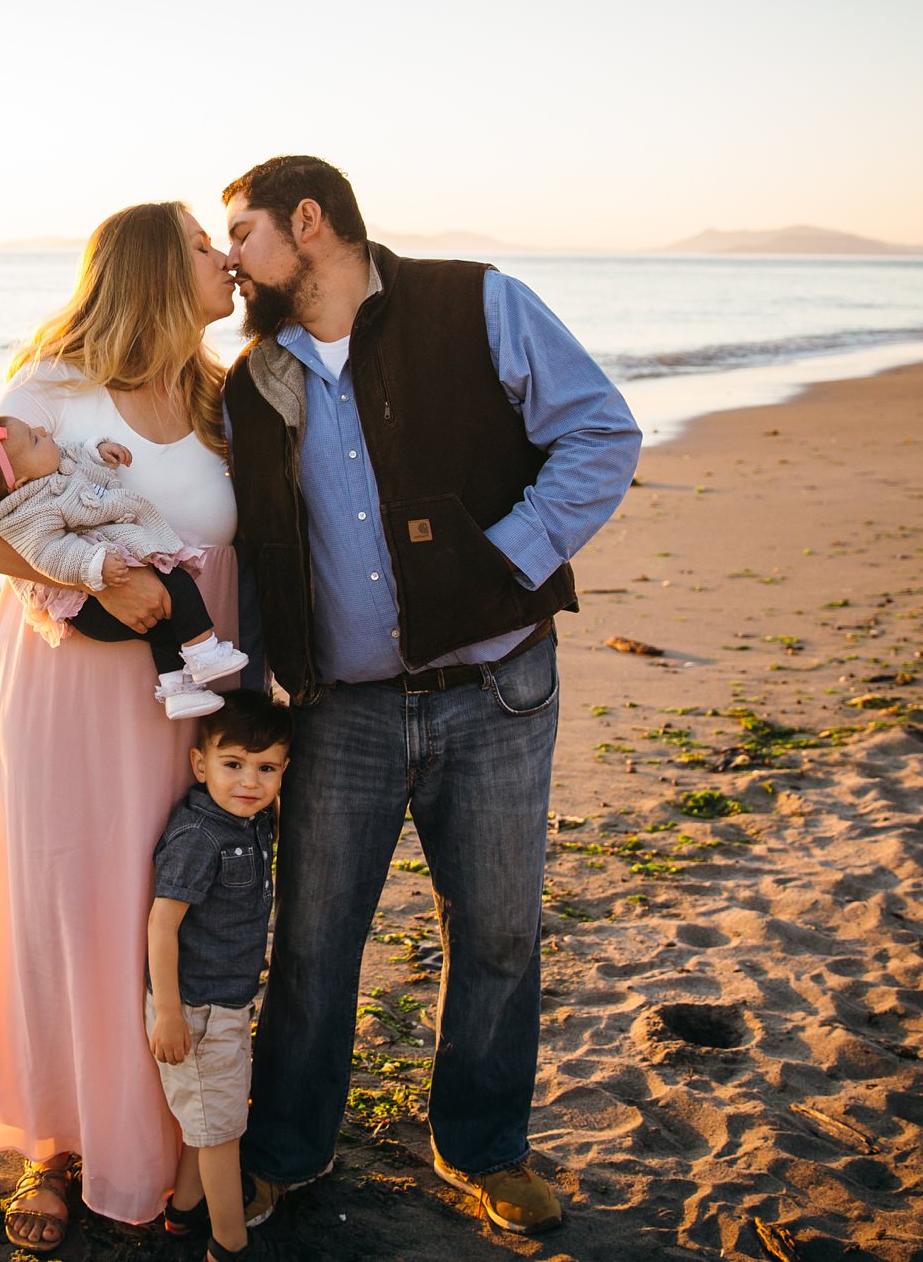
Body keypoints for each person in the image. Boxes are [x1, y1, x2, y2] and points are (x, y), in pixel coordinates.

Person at [219, 156, 642, 1235]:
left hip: (495, 687)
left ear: (307, 222)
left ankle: (484, 1148)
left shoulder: (478, 300)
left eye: (242, 231)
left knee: (497, 932)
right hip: (339, 711)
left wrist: (503, 559)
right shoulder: (252, 379)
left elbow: (600, 431)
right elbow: (260, 550)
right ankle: (284, 1152)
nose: (230, 258)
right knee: (313, 943)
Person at [0, 200, 242, 1251]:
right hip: (74, 689)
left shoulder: (216, 397)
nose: (228, 260)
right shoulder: (50, 388)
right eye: (207, 246)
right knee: (74, 900)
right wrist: (96, 585)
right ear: (158, 269)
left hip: (189, 694)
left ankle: (178, 1136)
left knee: (175, 904)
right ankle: (58, 1145)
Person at [0, 407, 247, 717]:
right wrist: (94, 564)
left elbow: (72, 452)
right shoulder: (28, 515)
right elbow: (49, 554)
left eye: (35, 430)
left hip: (107, 566)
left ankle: (178, 690)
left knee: (162, 629)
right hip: (89, 599)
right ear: (21, 483)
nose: (43, 430)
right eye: (35, 439)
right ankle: (204, 653)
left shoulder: (48, 463)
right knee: (176, 582)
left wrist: (97, 451)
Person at [145, 690, 292, 1262]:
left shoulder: (249, 821)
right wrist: (171, 1014)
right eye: (233, 765)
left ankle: (183, 1213)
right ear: (200, 764)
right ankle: (230, 1244)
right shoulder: (199, 837)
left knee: (210, 1119)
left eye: (266, 768)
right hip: (197, 1012)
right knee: (223, 1133)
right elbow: (162, 925)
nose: (249, 781)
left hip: (227, 1003)